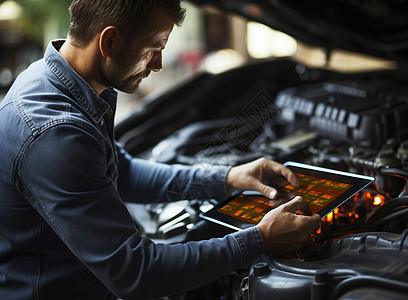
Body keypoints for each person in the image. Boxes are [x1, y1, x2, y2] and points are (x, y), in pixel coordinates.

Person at [0, 0, 320, 299]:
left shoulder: (60, 82)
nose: (158, 64)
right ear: (109, 42)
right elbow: (135, 271)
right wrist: (258, 240)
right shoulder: (55, 132)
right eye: (154, 49)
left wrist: (228, 177)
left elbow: (123, 173)